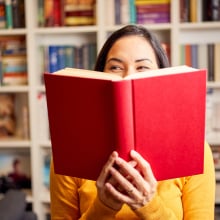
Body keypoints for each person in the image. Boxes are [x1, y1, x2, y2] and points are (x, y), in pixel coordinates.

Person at [50, 24, 215, 219]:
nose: (128, 77)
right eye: (115, 67)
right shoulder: (70, 154)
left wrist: (148, 205)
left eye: (142, 67)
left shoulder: (195, 152)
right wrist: (103, 207)